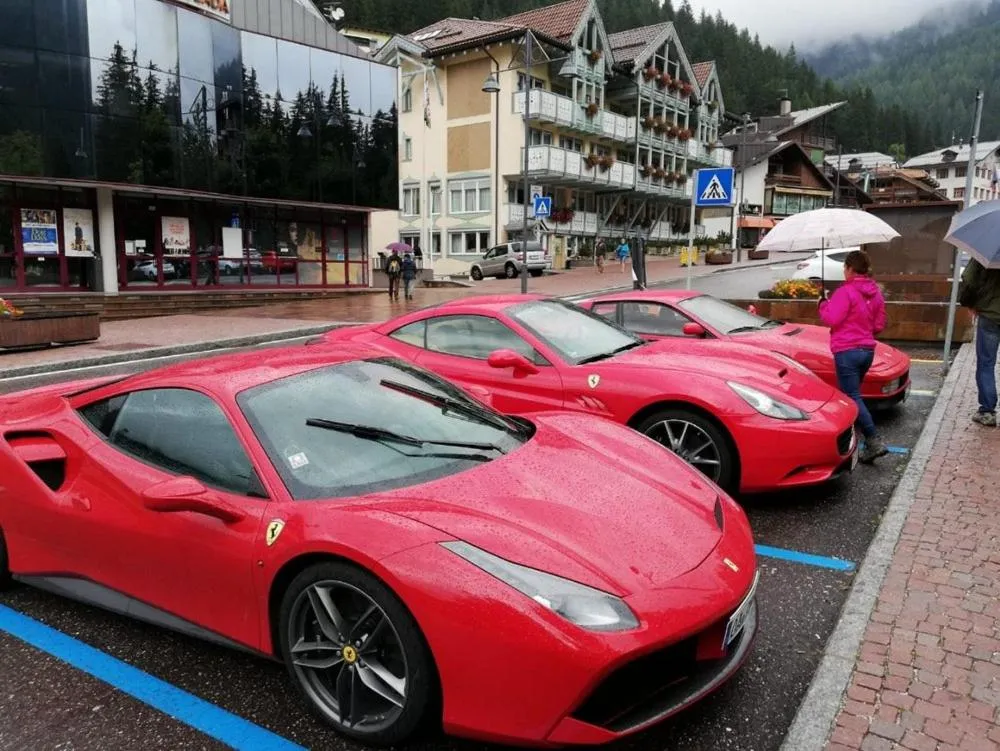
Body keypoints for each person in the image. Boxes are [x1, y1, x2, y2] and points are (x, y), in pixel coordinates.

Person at [818, 249, 889, 463]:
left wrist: (822, 304)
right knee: (853, 395)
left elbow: (832, 318)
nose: (844, 272)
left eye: (845, 268)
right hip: (867, 351)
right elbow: (879, 325)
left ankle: (873, 440)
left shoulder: (845, 292)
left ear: (850, 268)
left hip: (847, 351)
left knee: (851, 396)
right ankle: (856, 438)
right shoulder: (875, 293)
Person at [959, 258, 1000, 426]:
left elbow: (969, 279)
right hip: (989, 314)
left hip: (989, 314)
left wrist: (969, 303)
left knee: (986, 364)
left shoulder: (986, 252)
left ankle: (987, 412)